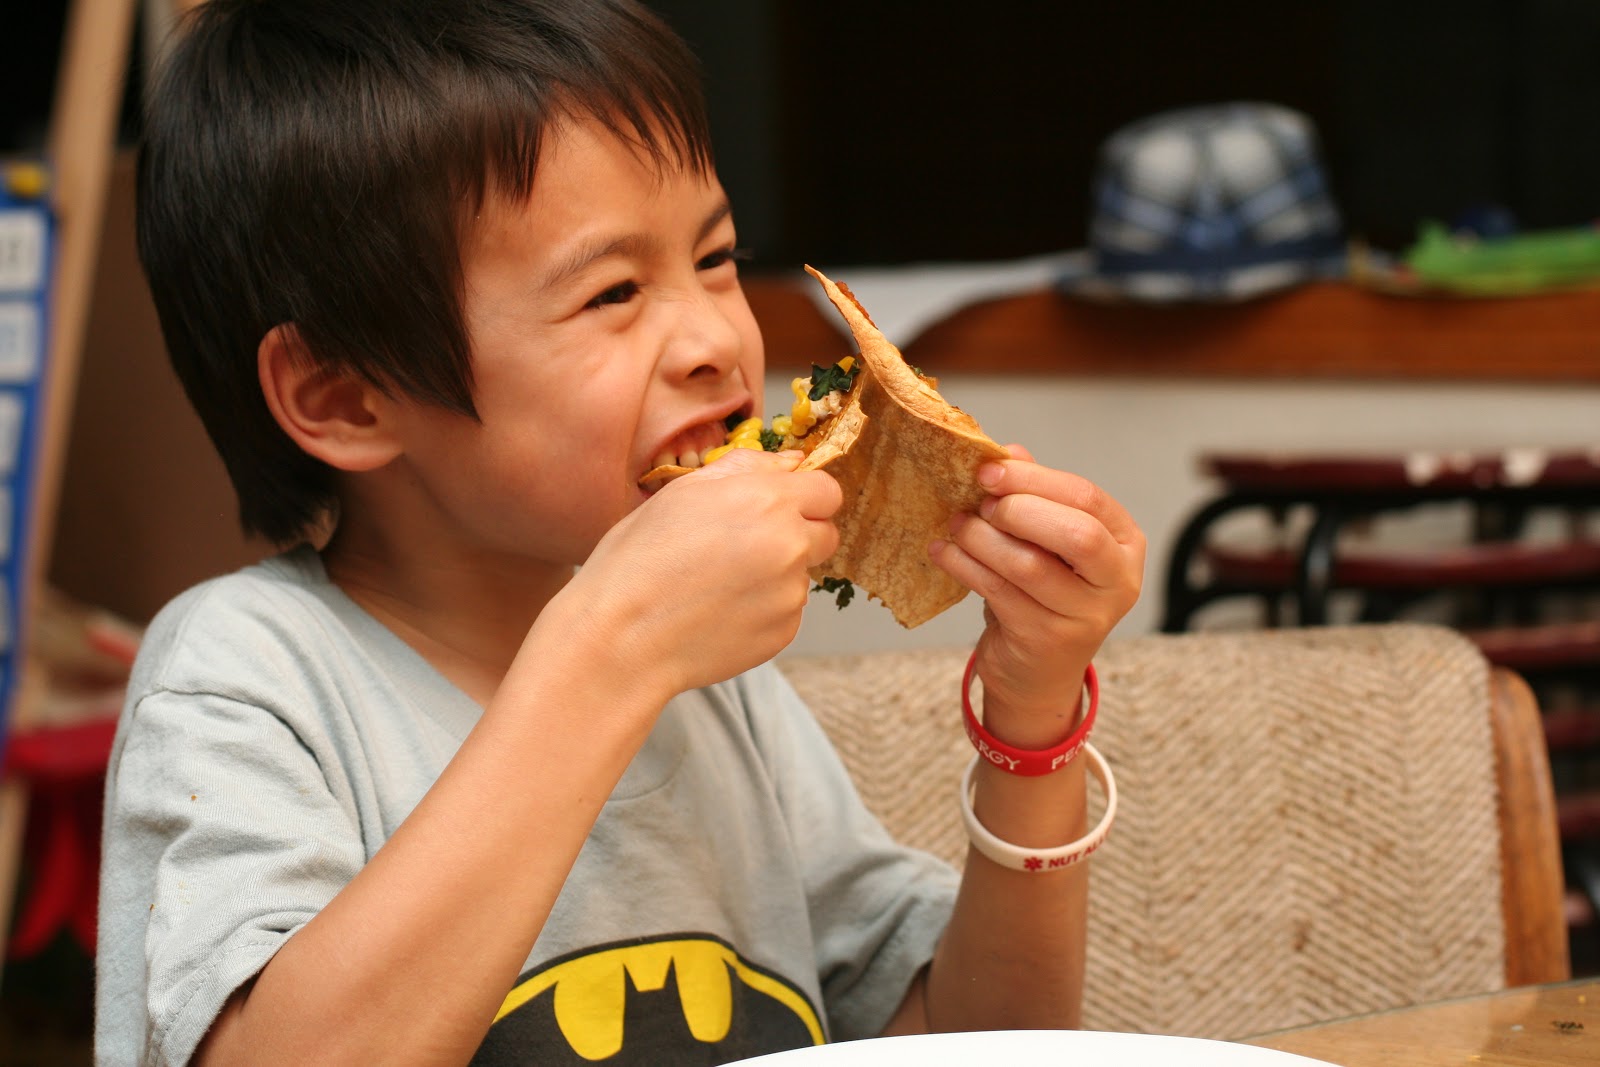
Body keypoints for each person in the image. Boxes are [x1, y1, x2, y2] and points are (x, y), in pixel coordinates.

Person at [96, 1, 1145, 1063]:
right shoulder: (245, 674)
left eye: (718, 256)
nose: (714, 338)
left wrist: (1031, 728)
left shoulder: (715, 688)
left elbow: (969, 1043)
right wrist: (613, 650)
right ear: (347, 397)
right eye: (612, 291)